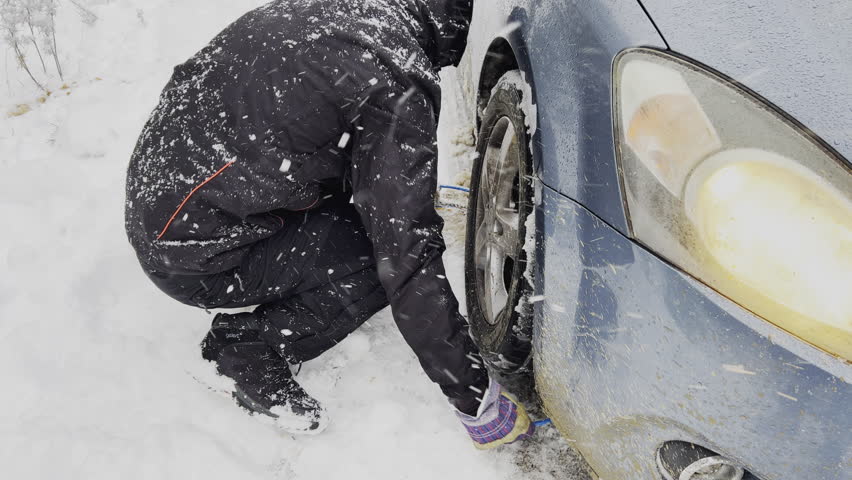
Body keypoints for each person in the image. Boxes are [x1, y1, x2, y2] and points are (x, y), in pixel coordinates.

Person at [125, 0, 532, 448]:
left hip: (159, 203)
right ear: (450, 27)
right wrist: (474, 398)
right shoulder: (394, 78)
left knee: (372, 198)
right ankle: (248, 347)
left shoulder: (336, 13)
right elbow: (405, 254)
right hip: (192, 255)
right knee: (379, 254)